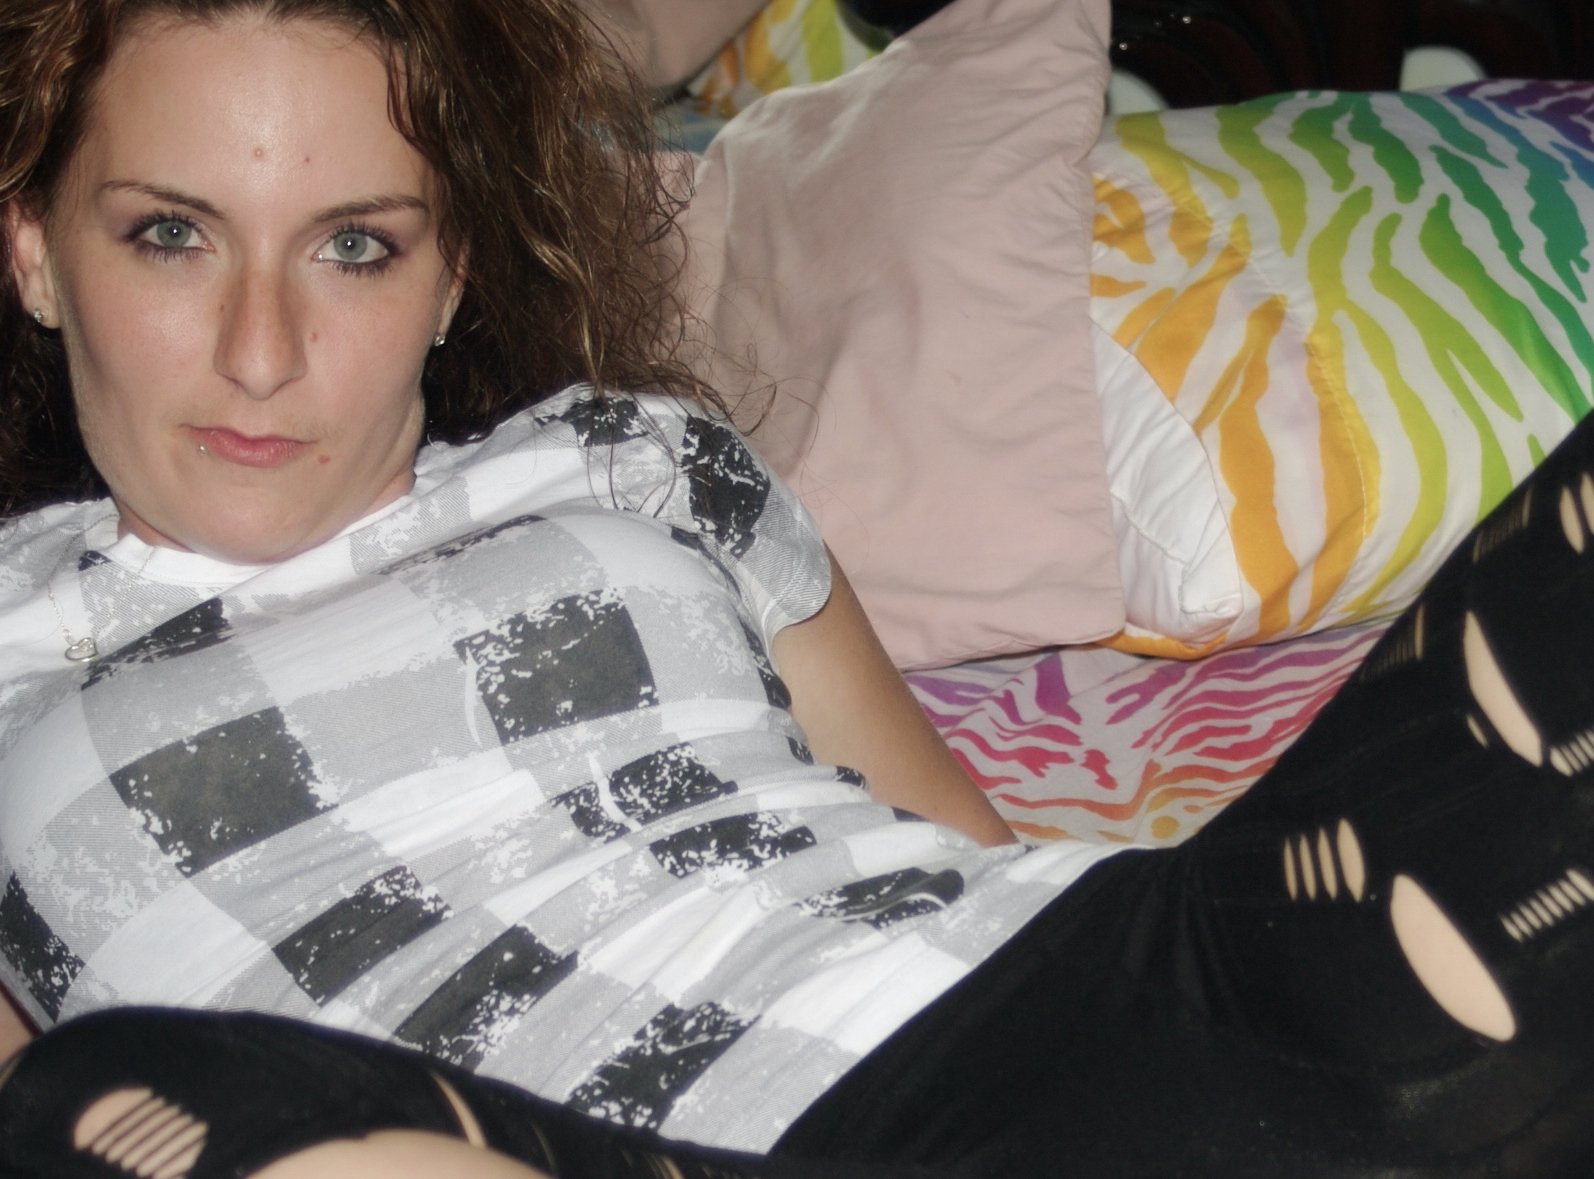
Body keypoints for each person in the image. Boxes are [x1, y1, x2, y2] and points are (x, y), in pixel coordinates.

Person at [0, 1, 1593, 1177]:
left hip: (1128, 1013)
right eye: (170, 235)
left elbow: (961, 840)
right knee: (100, 1107)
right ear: (34, 250)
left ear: (454, 273)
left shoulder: (632, 462)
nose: (261, 352)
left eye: (354, 245)